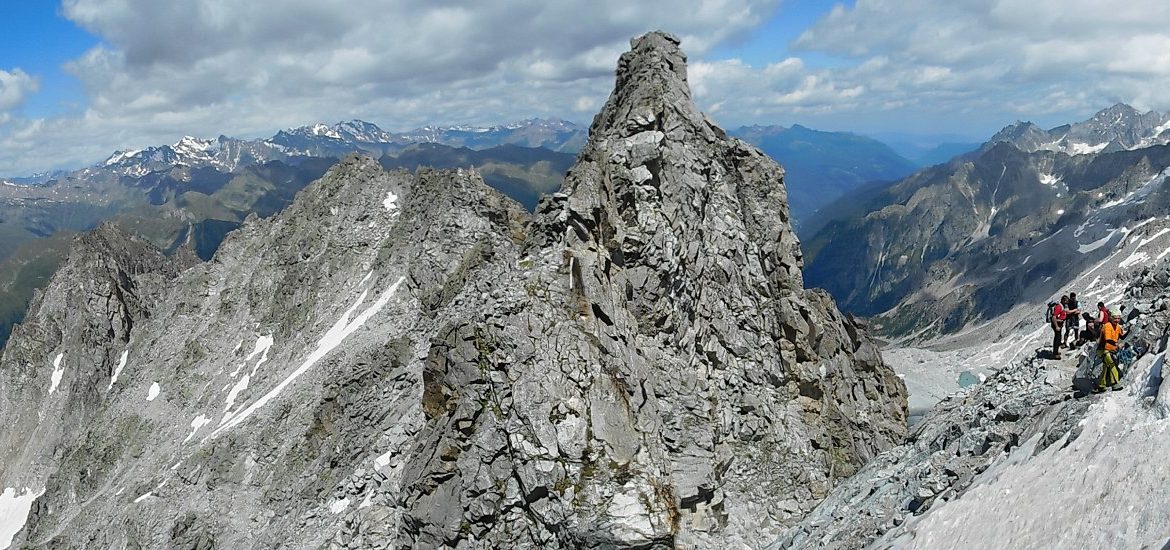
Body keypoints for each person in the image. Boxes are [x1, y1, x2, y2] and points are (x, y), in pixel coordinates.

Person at [1096, 312, 1125, 392]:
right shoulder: (1107, 326)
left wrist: (1130, 331)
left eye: (1119, 318)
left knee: (1105, 367)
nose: (1117, 320)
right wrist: (1116, 344)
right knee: (1112, 364)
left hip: (1109, 350)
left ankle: (1101, 385)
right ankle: (1115, 384)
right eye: (1115, 318)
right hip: (1103, 350)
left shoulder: (1118, 327)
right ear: (1111, 318)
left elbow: (1122, 336)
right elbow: (1108, 339)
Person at [1051, 295, 1067, 359]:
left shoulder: (1061, 306)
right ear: (1063, 300)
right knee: (1057, 338)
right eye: (1066, 301)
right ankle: (1055, 354)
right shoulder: (1059, 307)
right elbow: (1054, 317)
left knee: (1058, 337)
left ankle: (1056, 351)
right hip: (1057, 325)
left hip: (1059, 324)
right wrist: (1057, 326)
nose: (1066, 302)